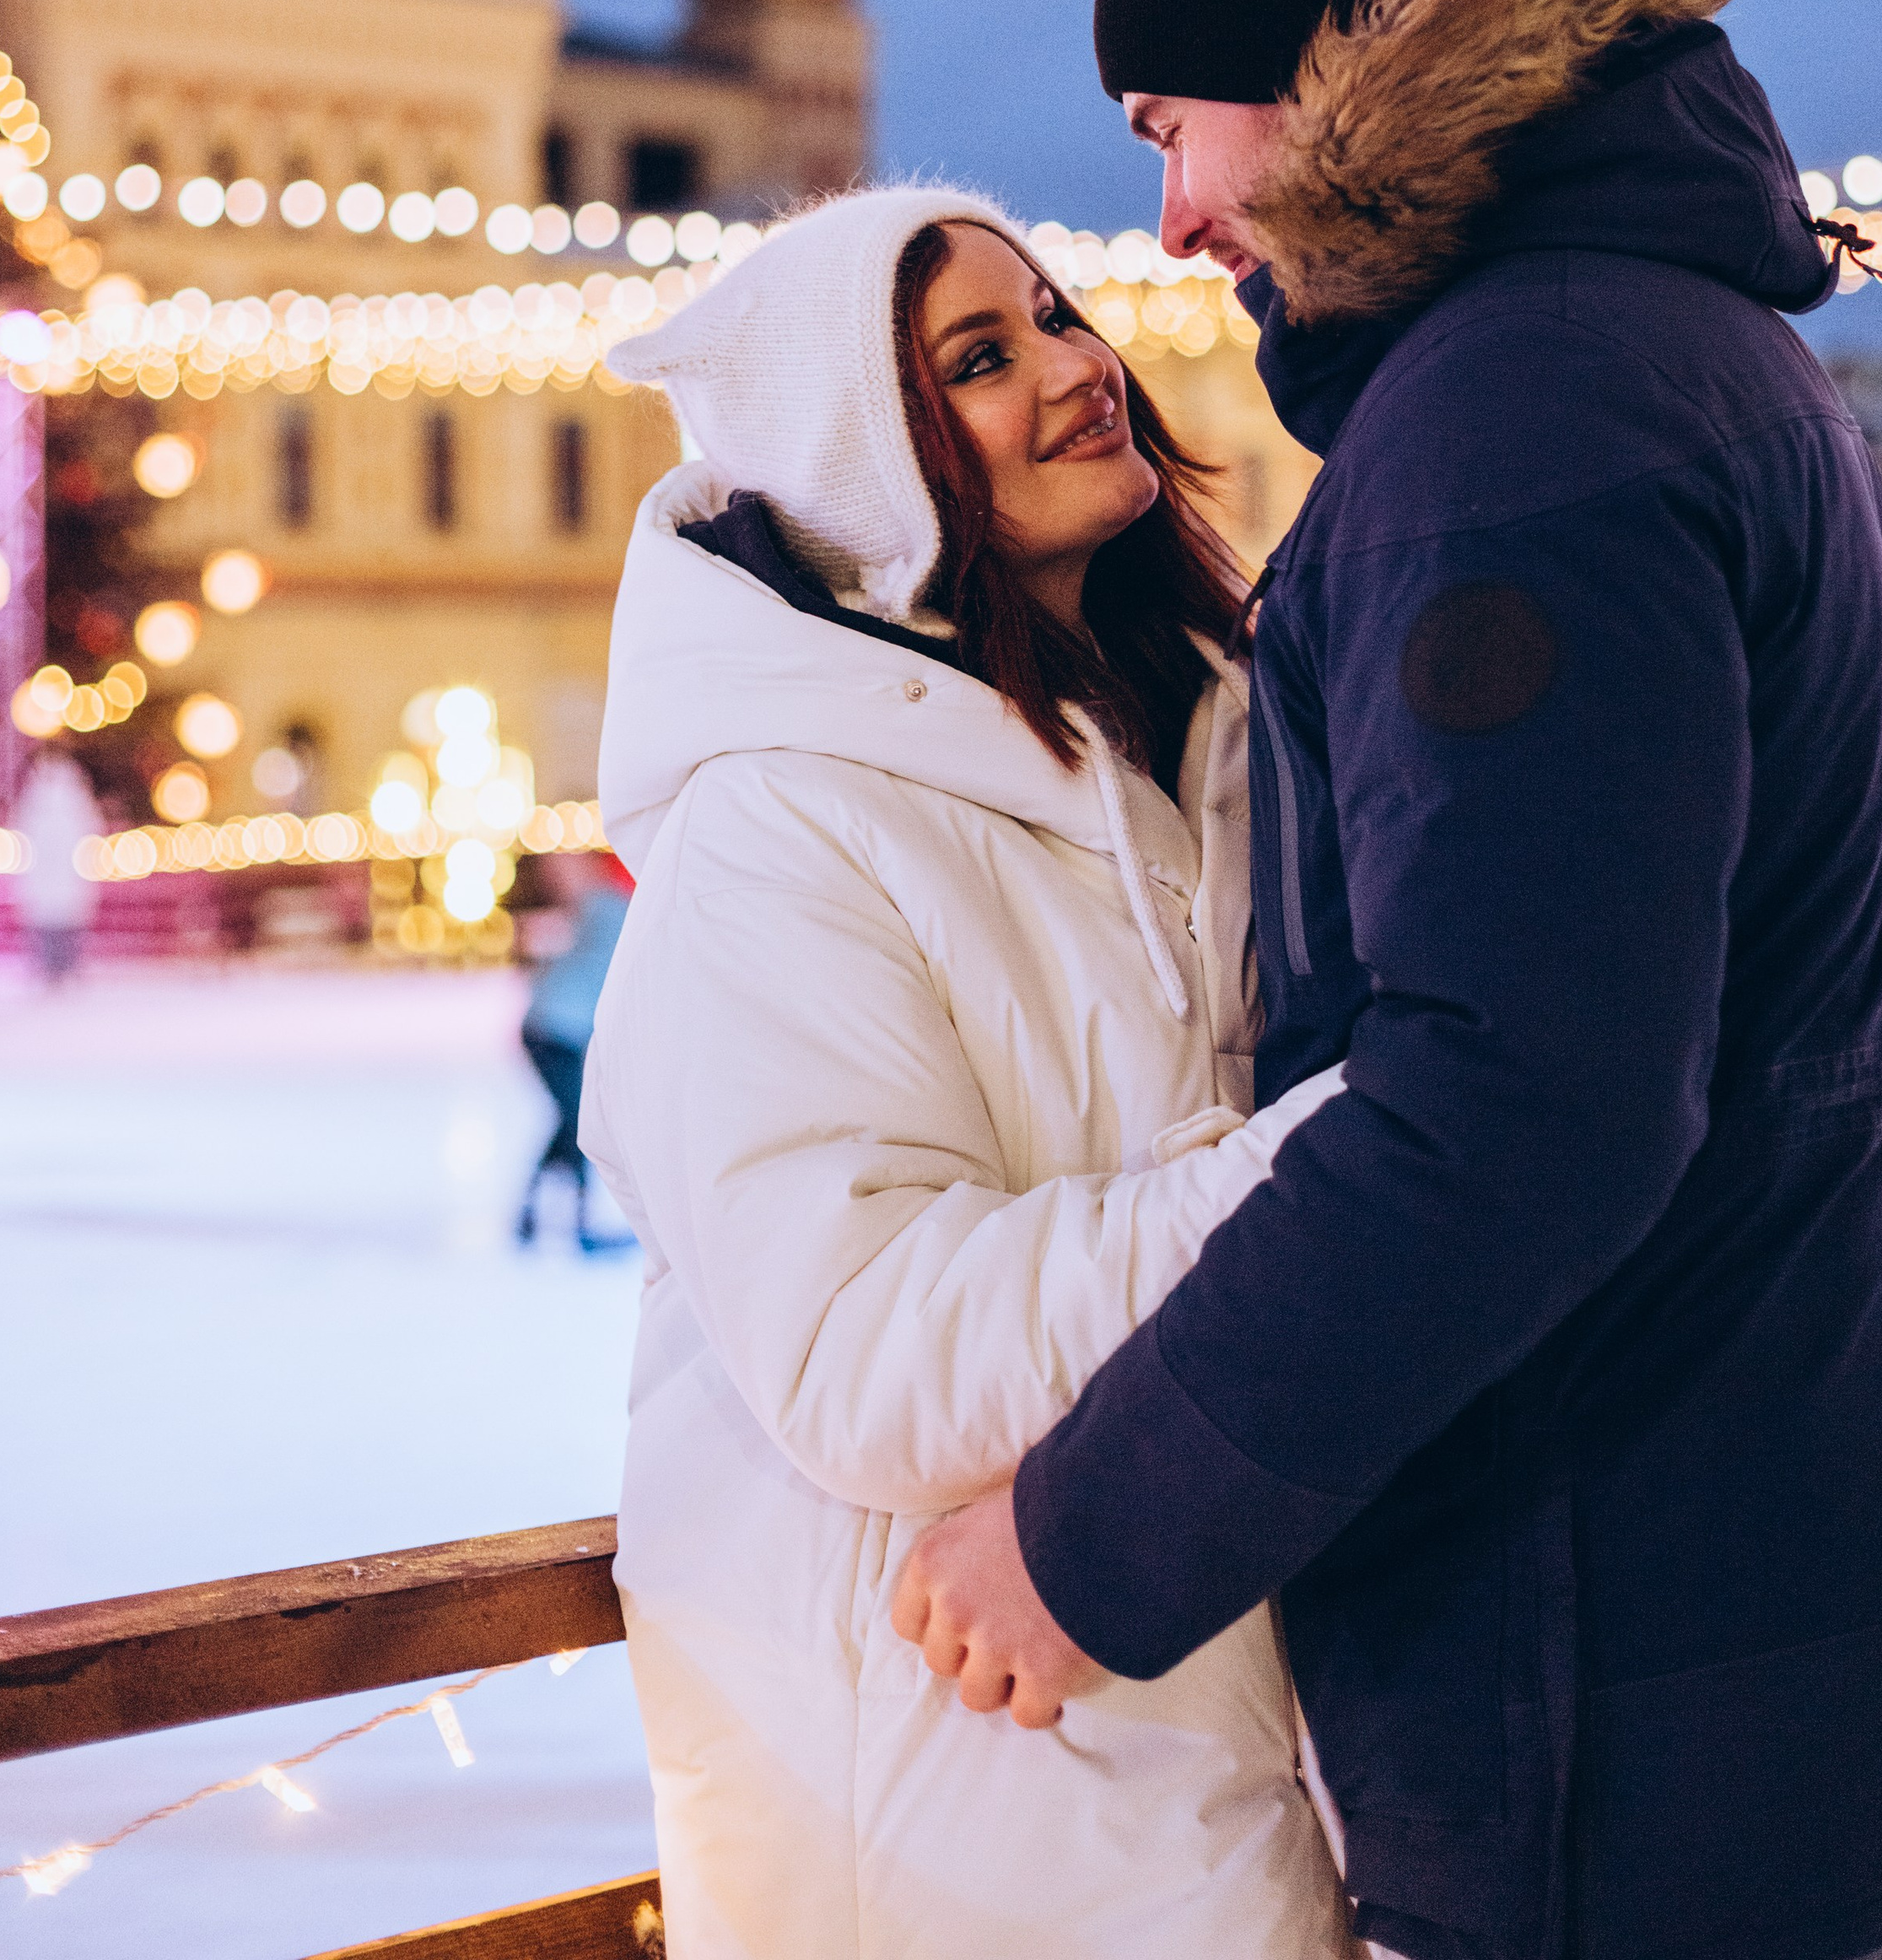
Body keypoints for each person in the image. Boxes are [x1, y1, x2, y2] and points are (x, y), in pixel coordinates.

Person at [898, 0, 1882, 1960]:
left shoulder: (1514, 421)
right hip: (1794, 1631)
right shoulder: (1675, 345)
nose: (1168, 219)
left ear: (1323, 69)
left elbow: (1517, 1105)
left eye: (1177, 125)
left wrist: (1087, 1535)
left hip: (1650, 1701)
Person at [581, 185, 1356, 1960]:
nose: (1078, 369)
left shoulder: (1201, 738)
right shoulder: (781, 828)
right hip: (949, 1794)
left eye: (1055, 318)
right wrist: (1341, 1177)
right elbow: (867, 1354)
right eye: (980, 360)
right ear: (868, 463)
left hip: (1196, 1718)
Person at [515, 855, 635, 1248]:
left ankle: (531, 1215)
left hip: (548, 1028)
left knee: (570, 1124)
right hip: (556, 1032)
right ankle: (577, 1224)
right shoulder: (621, 916)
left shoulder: (603, 908)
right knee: (578, 1125)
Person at [11, 747, 103, 985]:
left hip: (64, 869)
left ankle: (65, 966)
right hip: (47, 870)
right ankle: (48, 966)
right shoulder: (38, 792)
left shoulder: (68, 791)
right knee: (48, 919)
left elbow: (88, 824)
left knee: (65, 919)